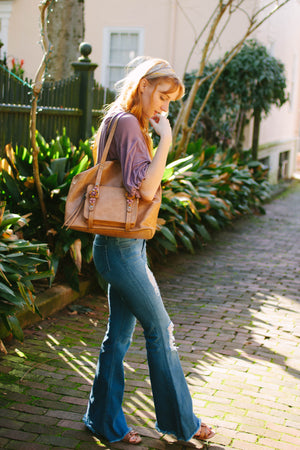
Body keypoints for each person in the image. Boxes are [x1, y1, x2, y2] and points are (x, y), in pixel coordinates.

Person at [83, 57, 215, 445]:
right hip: (121, 250)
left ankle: (103, 421)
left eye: (170, 101)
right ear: (142, 85)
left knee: (118, 338)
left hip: (120, 246)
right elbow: (143, 188)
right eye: (161, 96)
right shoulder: (126, 122)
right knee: (160, 329)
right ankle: (182, 423)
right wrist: (167, 141)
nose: (164, 107)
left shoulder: (121, 120)